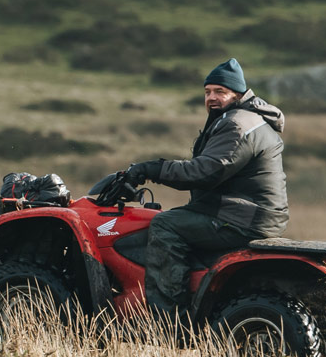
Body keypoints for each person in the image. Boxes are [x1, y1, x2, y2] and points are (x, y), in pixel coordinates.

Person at [120, 58, 288, 320]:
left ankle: (168, 319)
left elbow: (205, 171)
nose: (212, 98)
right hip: (247, 212)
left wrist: (151, 169)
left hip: (242, 218)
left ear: (238, 94)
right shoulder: (242, 119)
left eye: (220, 92)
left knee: (165, 224)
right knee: (182, 215)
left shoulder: (238, 123)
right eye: (207, 92)